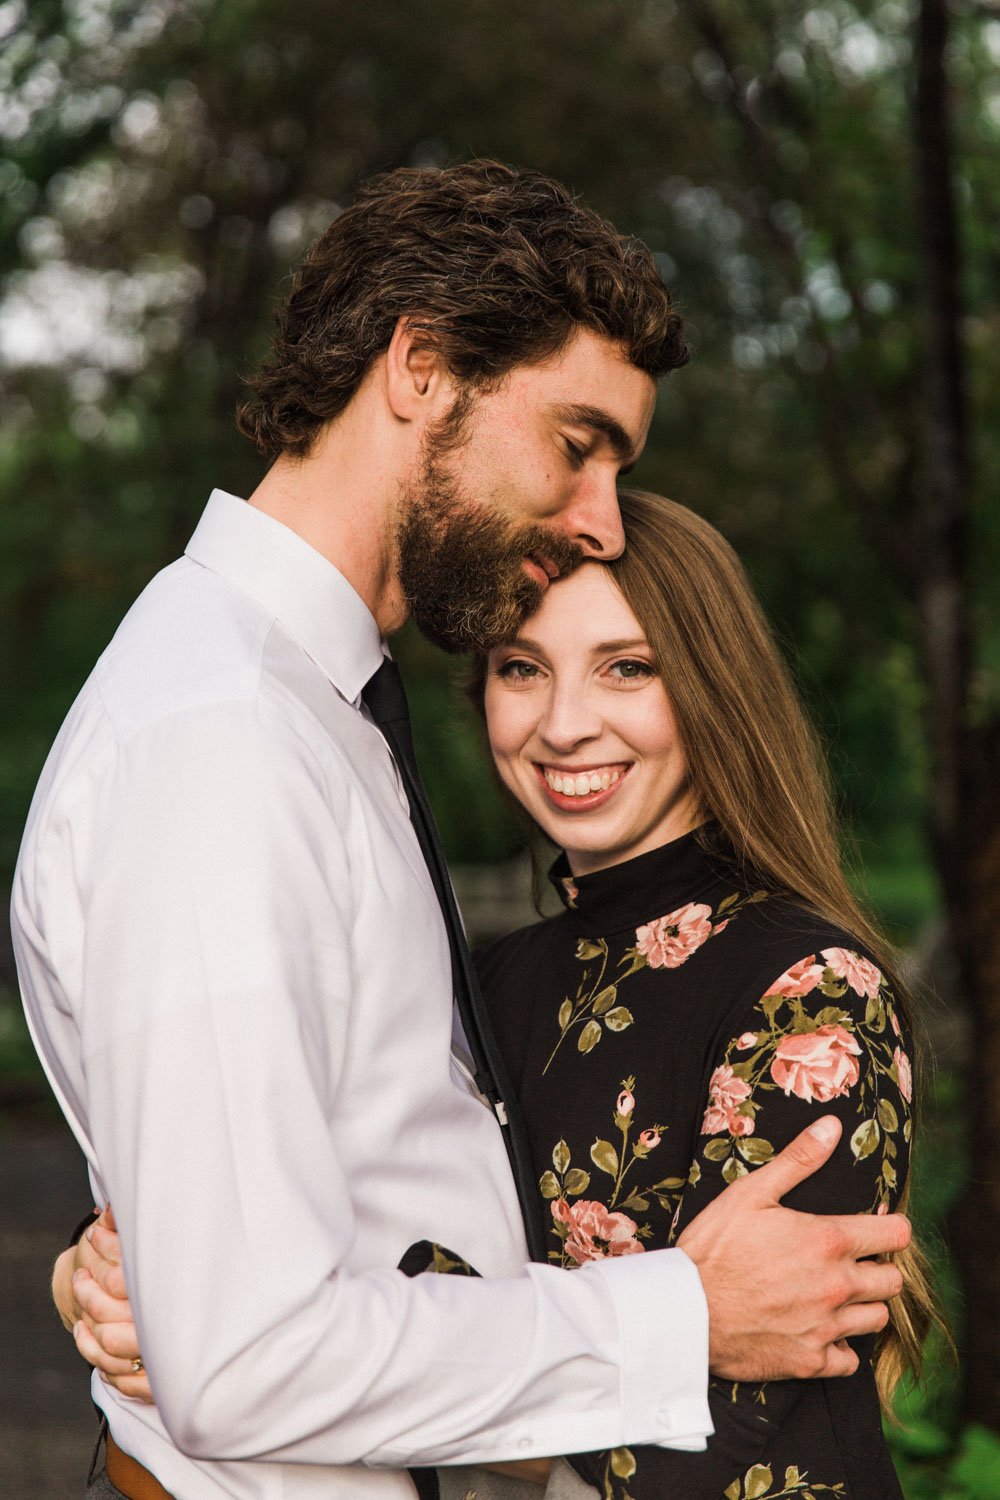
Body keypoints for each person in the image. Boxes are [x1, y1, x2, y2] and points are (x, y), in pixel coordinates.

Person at [16, 161, 908, 1500]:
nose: (603, 517)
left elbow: (339, 1204)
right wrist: (676, 1318)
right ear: (421, 369)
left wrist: (149, 1250)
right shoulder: (220, 739)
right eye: (578, 442)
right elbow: (249, 1359)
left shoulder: (313, 708)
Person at [62, 489, 936, 1500]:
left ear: (712, 689)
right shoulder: (479, 982)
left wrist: (278, 1371)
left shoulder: (807, 992)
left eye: (627, 668)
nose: (565, 725)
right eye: (522, 669)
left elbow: (723, 1441)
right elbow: (315, 1253)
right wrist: (122, 1283)